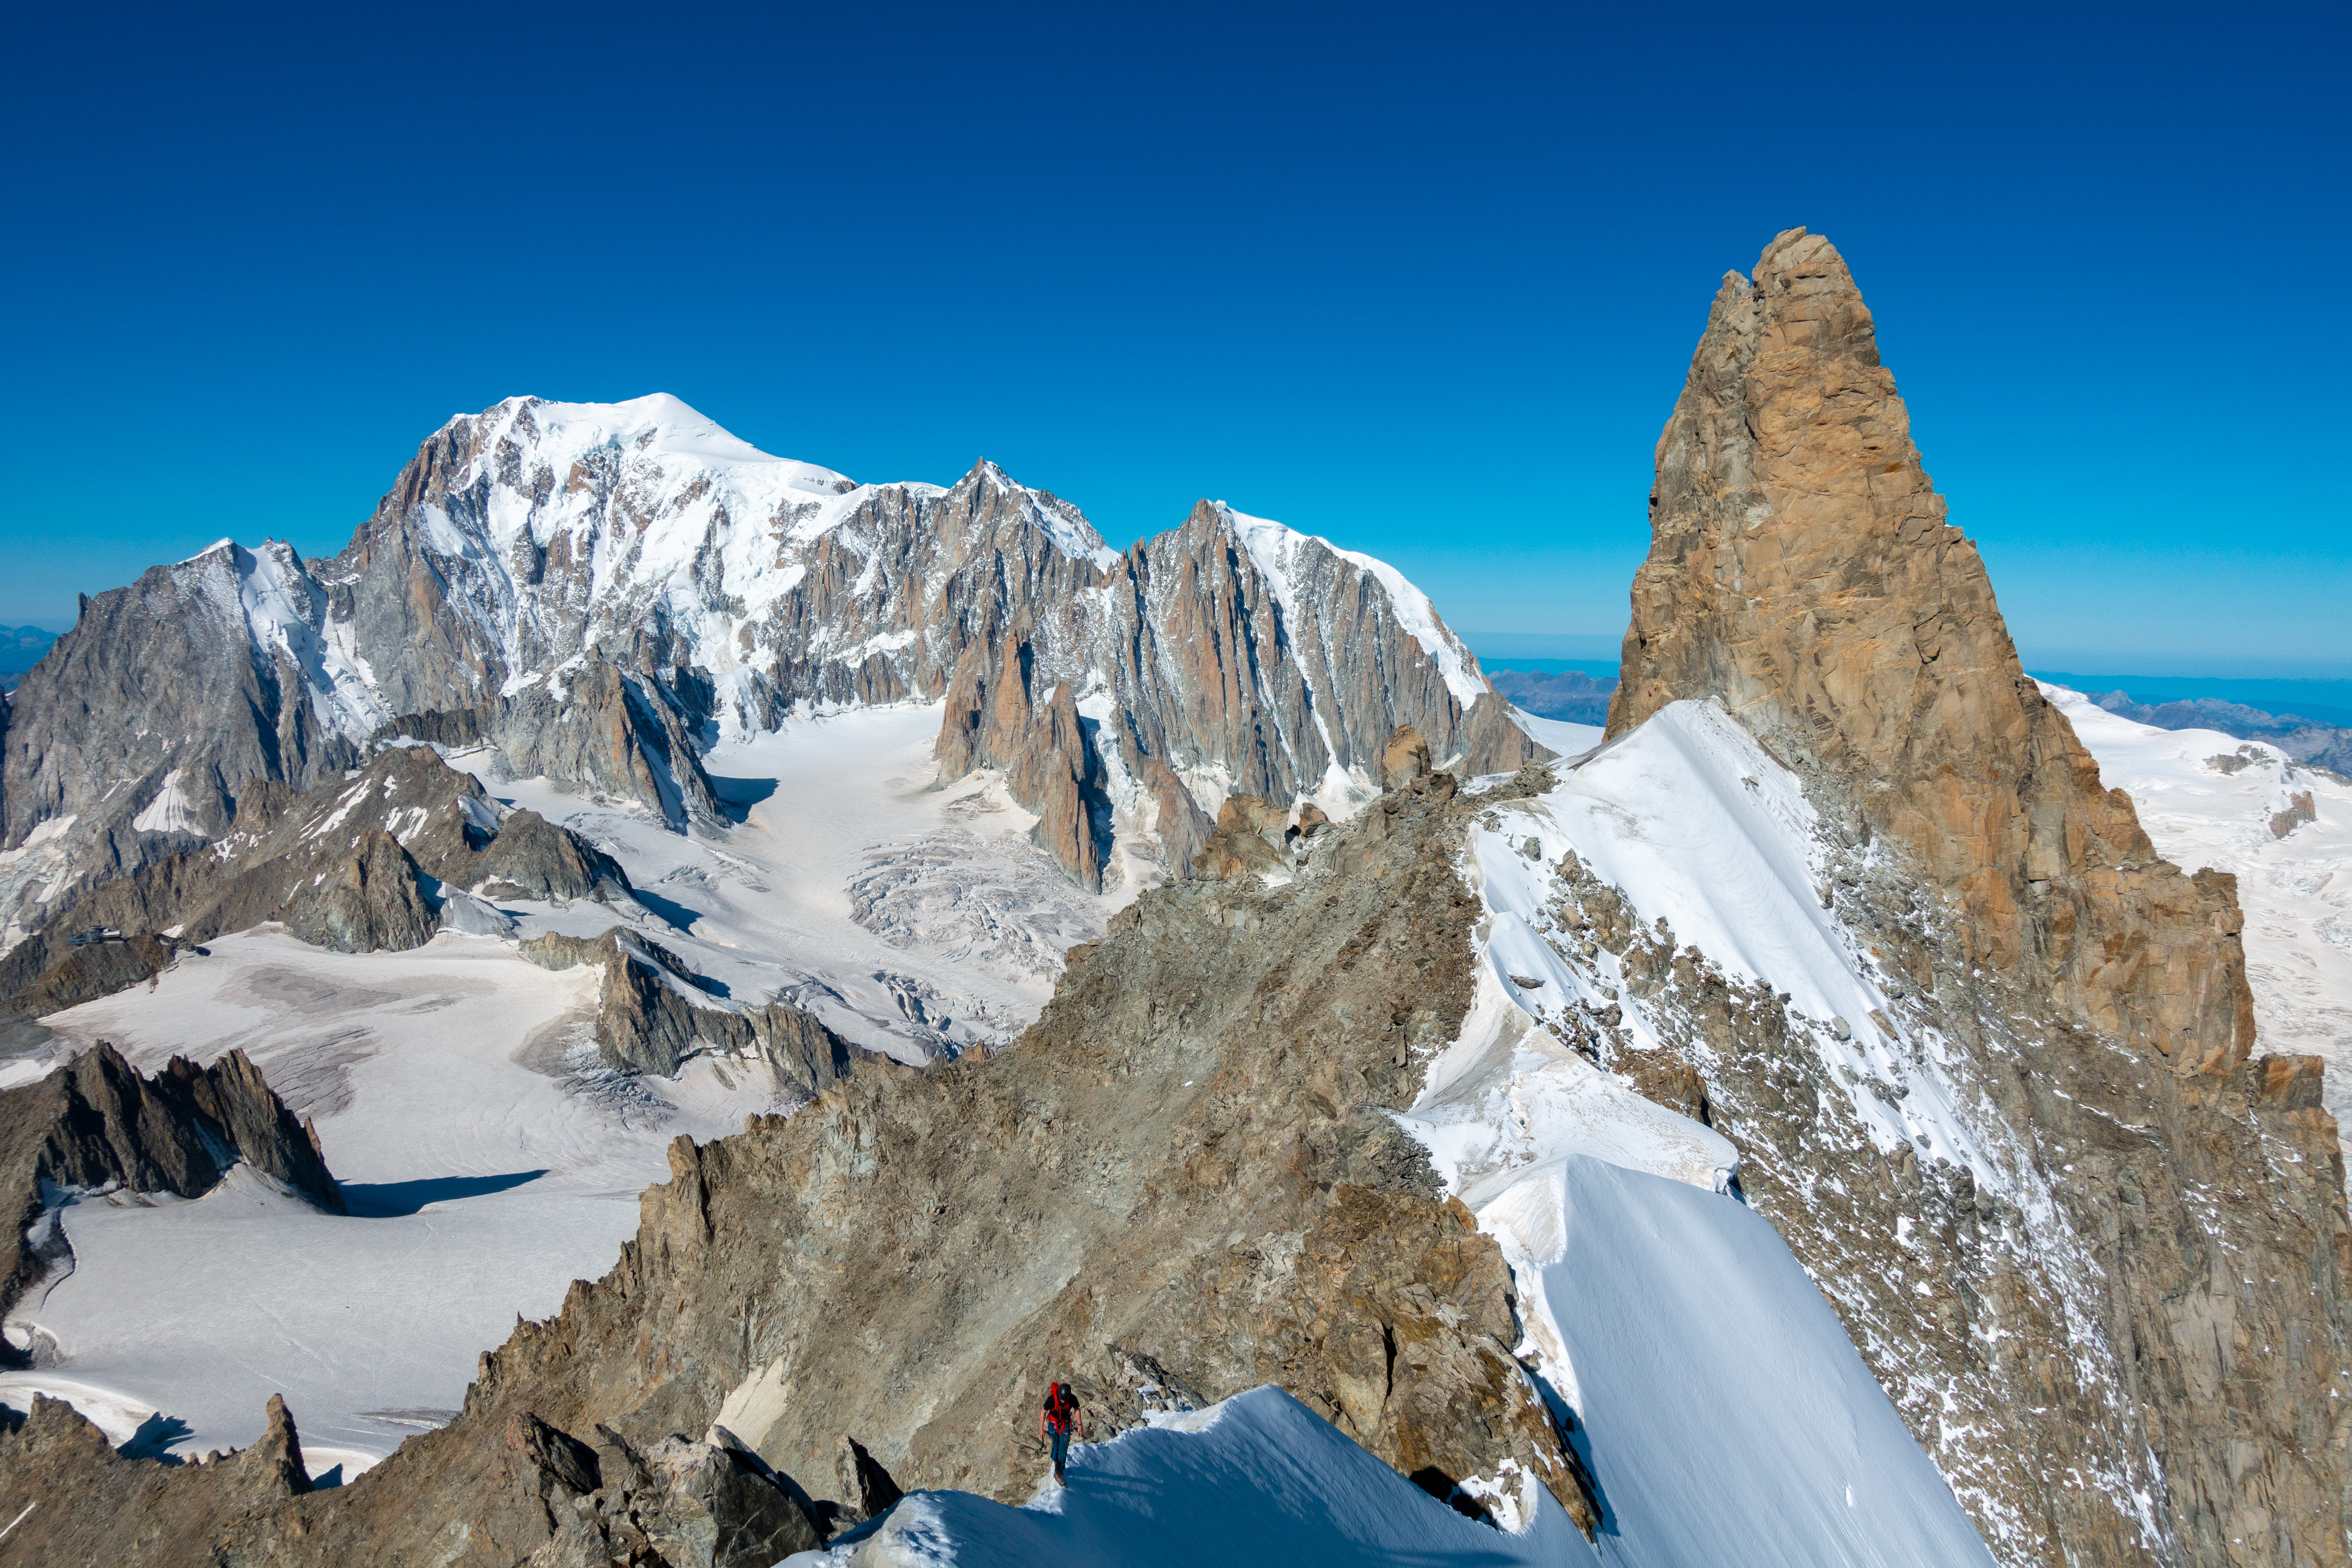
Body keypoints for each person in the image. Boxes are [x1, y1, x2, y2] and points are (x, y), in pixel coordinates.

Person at [1040, 1380, 1082, 1483]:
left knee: (1063, 1449)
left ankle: (1058, 1472)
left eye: (1064, 1399)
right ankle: (1056, 1462)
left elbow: (1077, 1409)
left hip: (1065, 1424)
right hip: (1053, 1425)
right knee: (1056, 1445)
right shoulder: (1052, 1399)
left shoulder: (1072, 1399)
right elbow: (1043, 1412)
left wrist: (1080, 1425)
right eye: (1061, 1399)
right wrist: (1041, 1429)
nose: (1062, 1401)